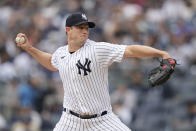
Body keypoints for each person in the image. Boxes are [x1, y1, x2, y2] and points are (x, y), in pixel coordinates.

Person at [15, 12, 172, 131]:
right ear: (68, 30)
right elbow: (51, 62)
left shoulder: (97, 49)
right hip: (70, 121)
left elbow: (130, 50)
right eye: (80, 27)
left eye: (87, 28)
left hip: (102, 121)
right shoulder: (61, 53)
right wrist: (29, 48)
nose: (85, 31)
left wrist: (161, 54)